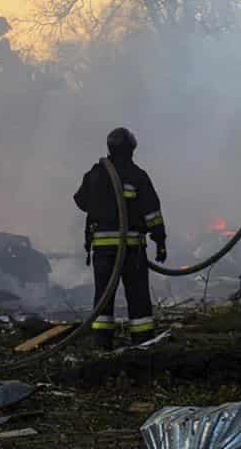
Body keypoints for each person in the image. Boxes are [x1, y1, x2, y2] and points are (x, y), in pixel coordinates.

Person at [73, 127, 167, 349]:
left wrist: (101, 207)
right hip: (132, 250)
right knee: (138, 298)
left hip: (104, 251)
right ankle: (143, 343)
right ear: (131, 150)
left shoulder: (94, 174)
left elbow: (80, 200)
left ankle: (101, 344)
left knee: (103, 299)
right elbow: (152, 213)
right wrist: (160, 242)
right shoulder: (137, 176)